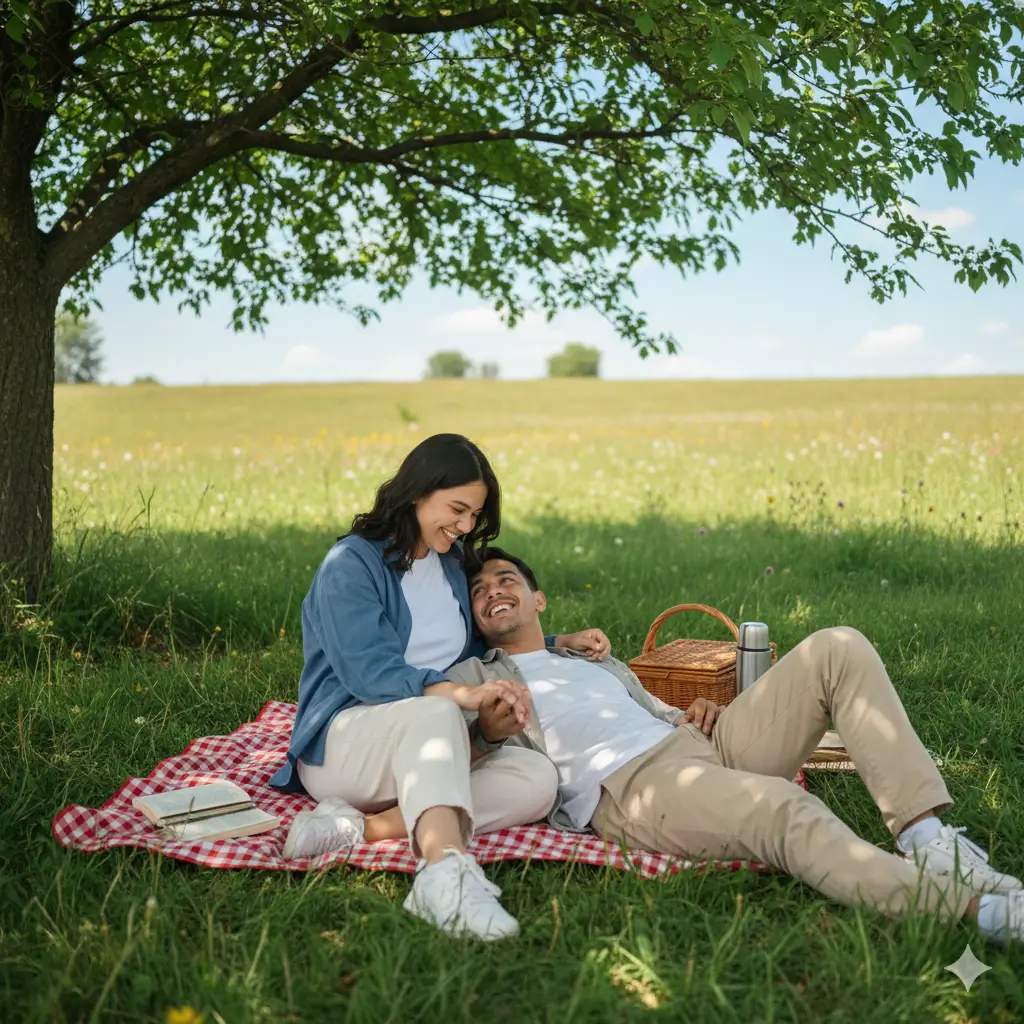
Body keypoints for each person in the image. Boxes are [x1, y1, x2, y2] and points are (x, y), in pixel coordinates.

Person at [445, 546, 1024, 944]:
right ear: (473, 616)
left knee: (837, 647)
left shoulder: (582, 654)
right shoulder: (475, 674)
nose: (493, 591)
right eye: (478, 590)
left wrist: (691, 711)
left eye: (506, 580)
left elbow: (644, 706)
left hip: (702, 742)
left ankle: (927, 838)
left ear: (537, 599)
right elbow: (459, 743)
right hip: (633, 787)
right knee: (784, 807)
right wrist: (487, 732)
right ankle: (982, 914)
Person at [270, 434, 608, 941]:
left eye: (474, 514)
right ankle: (443, 875)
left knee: (537, 776)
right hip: (347, 745)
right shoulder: (351, 565)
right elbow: (372, 675)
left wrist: (556, 641)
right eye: (457, 508)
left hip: (432, 744)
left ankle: (353, 830)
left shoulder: (450, 566)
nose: (467, 525)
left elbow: (473, 647)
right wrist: (461, 696)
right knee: (437, 714)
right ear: (416, 493)